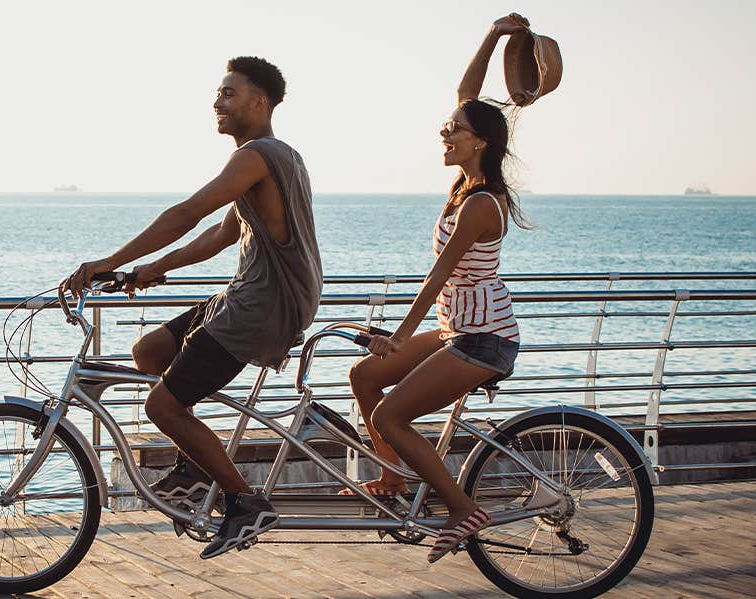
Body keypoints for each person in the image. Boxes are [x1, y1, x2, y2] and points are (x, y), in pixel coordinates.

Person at [63, 56, 323, 559]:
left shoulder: (258, 155)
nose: (217, 102)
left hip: (262, 306)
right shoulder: (270, 159)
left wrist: (108, 261)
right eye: (217, 93)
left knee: (160, 405)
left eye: (228, 93)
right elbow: (219, 235)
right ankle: (197, 466)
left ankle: (245, 502)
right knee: (150, 351)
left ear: (259, 102)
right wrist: (146, 272)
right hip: (248, 295)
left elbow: (186, 214)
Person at [346, 13, 533, 562]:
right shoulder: (468, 182)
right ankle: (393, 479)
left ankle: (461, 508)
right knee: (363, 375)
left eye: (454, 131)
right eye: (446, 128)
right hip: (459, 330)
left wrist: (400, 336)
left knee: (390, 416)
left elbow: (440, 276)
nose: (444, 134)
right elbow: (467, 95)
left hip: (483, 342)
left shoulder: (480, 202)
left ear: (479, 143)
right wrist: (495, 36)